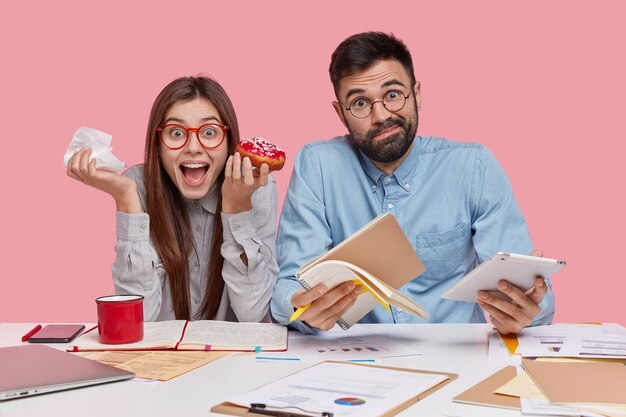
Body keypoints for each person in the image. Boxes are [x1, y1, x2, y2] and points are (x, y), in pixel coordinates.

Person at [271, 32, 554, 335]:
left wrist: (527, 308)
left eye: (393, 95)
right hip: (355, 360)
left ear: (416, 94)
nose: (380, 115)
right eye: (360, 102)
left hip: (459, 360)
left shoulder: (474, 167)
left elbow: (528, 293)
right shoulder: (317, 167)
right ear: (341, 113)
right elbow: (288, 286)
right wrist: (301, 307)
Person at [67, 76, 279, 322]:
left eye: (209, 132)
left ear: (230, 141)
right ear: (157, 144)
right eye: (176, 133)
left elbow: (253, 313)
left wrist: (236, 208)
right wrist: (126, 198)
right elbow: (139, 318)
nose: (192, 147)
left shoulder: (256, 187)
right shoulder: (138, 187)